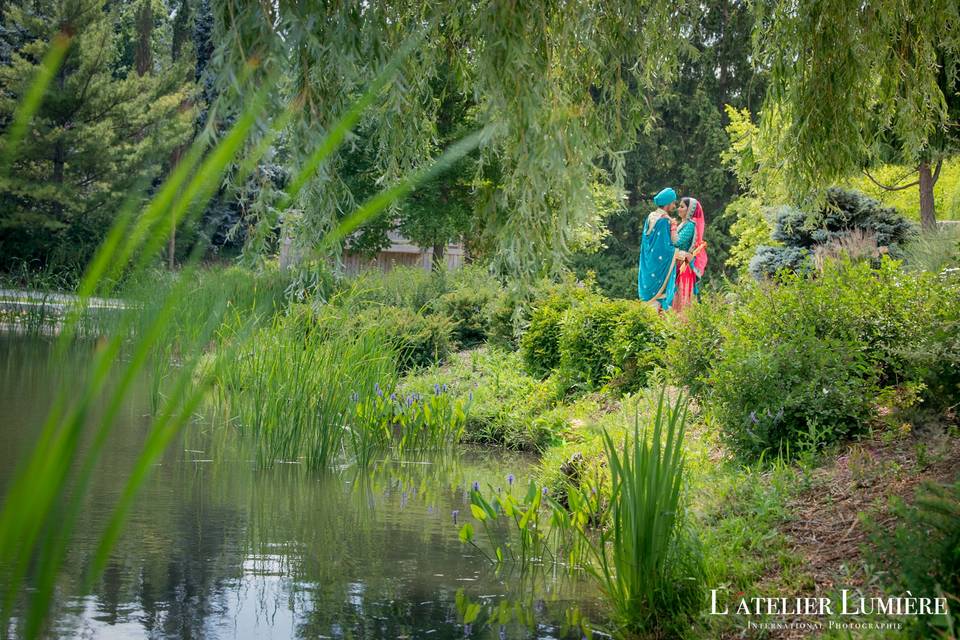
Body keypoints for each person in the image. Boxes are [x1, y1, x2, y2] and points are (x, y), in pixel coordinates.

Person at [638, 187, 686, 309]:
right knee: (658, 303)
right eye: (673, 202)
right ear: (668, 203)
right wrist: (679, 253)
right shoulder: (663, 221)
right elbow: (664, 247)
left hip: (648, 263)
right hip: (659, 267)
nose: (674, 205)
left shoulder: (651, 216)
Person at [663, 196, 708, 313]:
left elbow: (677, 242)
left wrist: (671, 226)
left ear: (690, 211)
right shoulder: (682, 225)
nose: (678, 209)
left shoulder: (689, 225)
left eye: (682, 207)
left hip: (684, 267)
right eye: (679, 206)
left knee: (682, 300)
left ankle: (684, 327)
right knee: (675, 298)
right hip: (677, 265)